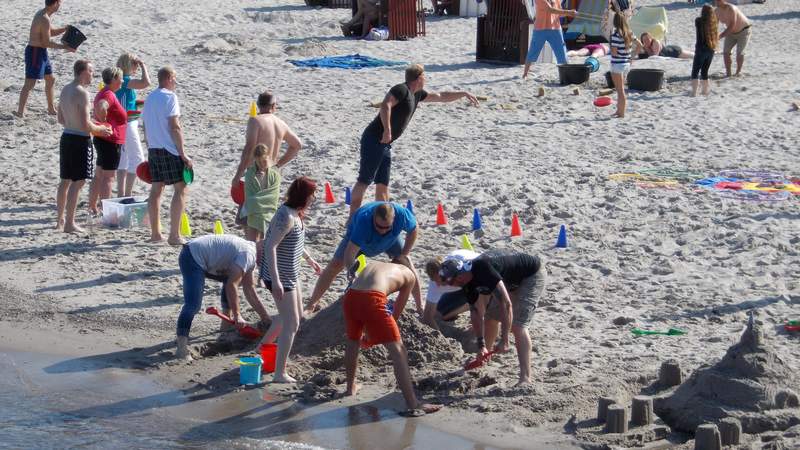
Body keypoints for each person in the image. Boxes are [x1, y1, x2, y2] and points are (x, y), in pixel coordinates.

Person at [348, 65, 478, 217]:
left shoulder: (417, 94)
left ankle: (383, 219)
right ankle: (352, 219)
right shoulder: (401, 90)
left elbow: (441, 96)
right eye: (424, 76)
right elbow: (385, 105)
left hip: (385, 144)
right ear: (418, 78)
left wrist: (463, 93)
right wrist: (387, 129)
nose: (426, 78)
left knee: (382, 184)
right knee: (364, 180)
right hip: (373, 139)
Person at [342, 260, 443, 417]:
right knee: (398, 350)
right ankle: (413, 403)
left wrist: (371, 332)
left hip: (350, 297)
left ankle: (350, 388)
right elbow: (396, 310)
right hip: (373, 299)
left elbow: (363, 298)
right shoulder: (409, 275)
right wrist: (381, 332)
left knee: (353, 341)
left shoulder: (375, 264)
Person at [439, 251, 547, 385]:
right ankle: (484, 358)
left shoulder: (483, 268)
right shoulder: (466, 282)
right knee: (490, 318)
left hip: (531, 275)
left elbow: (506, 304)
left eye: (450, 282)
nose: (450, 286)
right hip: (508, 280)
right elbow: (476, 312)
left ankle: (525, 378)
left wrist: (505, 339)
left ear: (459, 276)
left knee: (518, 326)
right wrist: (481, 345)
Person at [305, 202, 422, 315]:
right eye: (379, 226)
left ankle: (420, 307)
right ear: (373, 218)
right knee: (335, 266)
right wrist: (352, 273)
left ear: (394, 219)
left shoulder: (402, 215)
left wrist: (404, 254)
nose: (382, 231)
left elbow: (414, 229)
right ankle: (311, 304)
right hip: (359, 243)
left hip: (391, 241)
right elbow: (349, 253)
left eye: (387, 227)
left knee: (407, 264)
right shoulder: (364, 221)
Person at [259, 177, 322, 383]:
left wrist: (310, 259)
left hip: (291, 274)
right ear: (303, 195)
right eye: (312, 194)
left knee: (291, 319)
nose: (314, 198)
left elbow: (294, 241)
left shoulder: (296, 214)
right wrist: (275, 281)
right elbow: (270, 246)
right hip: (279, 277)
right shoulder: (285, 215)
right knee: (291, 323)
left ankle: (260, 351)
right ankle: (279, 373)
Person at [176, 235, 271, 360]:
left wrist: (265, 318)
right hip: (191, 256)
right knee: (193, 305)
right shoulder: (248, 254)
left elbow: (250, 290)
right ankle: (181, 346)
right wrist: (238, 316)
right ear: (264, 251)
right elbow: (232, 285)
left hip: (202, 255)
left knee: (232, 276)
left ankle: (225, 327)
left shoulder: (251, 255)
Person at [56, 60, 112, 233]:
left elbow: (60, 118)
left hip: (67, 136)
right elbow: (85, 124)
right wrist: (101, 129)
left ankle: (60, 220)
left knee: (65, 181)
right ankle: (70, 223)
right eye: (90, 71)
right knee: (78, 182)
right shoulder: (83, 93)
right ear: (82, 72)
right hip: (80, 140)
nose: (93, 74)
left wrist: (78, 125)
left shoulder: (66, 89)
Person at [231, 91, 302, 223]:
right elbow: (297, 145)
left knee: (251, 221)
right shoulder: (281, 124)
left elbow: (249, 149)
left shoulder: (255, 121)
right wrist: (278, 165)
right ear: (274, 106)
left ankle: (253, 243)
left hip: (257, 173)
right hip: (273, 174)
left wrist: (238, 174)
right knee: (266, 218)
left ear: (258, 105)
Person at [143, 66, 192, 245]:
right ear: (169, 78)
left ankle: (155, 234)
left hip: (154, 148)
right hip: (169, 149)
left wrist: (149, 146)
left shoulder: (149, 98)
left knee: (156, 190)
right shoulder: (170, 96)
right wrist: (183, 154)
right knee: (181, 189)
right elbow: (174, 126)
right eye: (175, 78)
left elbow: (145, 127)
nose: (175, 83)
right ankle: (174, 235)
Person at [15, 0, 75, 117]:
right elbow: (46, 42)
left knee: (51, 79)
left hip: (40, 52)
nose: (60, 5)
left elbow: (49, 32)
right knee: (30, 83)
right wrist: (65, 47)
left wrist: (64, 29)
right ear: (55, 3)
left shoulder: (44, 14)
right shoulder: (44, 18)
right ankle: (20, 112)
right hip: (35, 52)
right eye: (59, 3)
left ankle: (51, 109)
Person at [87, 68, 127, 215]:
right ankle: (106, 211)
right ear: (115, 78)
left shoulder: (104, 92)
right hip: (110, 140)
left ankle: (93, 207)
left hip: (102, 138)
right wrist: (103, 119)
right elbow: (101, 106)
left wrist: (101, 121)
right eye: (121, 78)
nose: (122, 81)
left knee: (99, 174)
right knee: (109, 177)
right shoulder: (108, 94)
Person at [115, 53, 151, 197]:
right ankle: (127, 194)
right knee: (137, 159)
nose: (136, 67)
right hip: (127, 123)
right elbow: (146, 83)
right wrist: (143, 66)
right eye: (135, 64)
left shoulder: (119, 79)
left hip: (123, 122)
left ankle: (121, 194)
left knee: (124, 160)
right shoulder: (126, 79)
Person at [422, 249, 479, 330]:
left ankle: (471, 305)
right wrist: (439, 337)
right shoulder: (435, 283)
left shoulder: (466, 270)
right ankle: (466, 306)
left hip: (476, 284)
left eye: (442, 280)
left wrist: (475, 320)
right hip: (460, 287)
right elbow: (427, 316)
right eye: (435, 281)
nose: (438, 285)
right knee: (437, 315)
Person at [521, 0, 577, 79]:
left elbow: (559, 14)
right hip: (540, 29)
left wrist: (570, 13)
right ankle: (525, 74)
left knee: (562, 54)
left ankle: (565, 75)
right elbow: (550, 9)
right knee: (533, 51)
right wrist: (569, 12)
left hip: (556, 29)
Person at [242, 144, 281, 242]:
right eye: (259, 162)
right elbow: (249, 196)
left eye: (264, 161)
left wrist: (255, 201)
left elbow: (273, 196)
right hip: (253, 213)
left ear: (269, 157)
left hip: (268, 212)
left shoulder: (274, 174)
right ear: (255, 160)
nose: (262, 164)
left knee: (266, 242)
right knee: (252, 242)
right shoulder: (250, 174)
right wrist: (254, 202)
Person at [714, 0, 751, 77]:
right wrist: (714, 36)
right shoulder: (716, 11)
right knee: (726, 52)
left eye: (718, 0)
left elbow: (732, 25)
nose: (716, 2)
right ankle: (728, 73)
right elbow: (715, 26)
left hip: (743, 31)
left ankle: (738, 72)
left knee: (740, 53)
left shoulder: (731, 8)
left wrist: (720, 36)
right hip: (730, 33)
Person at [609, 11, 634, 119]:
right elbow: (640, 45)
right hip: (626, 63)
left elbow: (614, 53)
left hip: (617, 64)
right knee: (621, 90)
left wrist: (611, 47)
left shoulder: (615, 35)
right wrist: (632, 57)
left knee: (620, 91)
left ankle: (621, 113)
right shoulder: (629, 33)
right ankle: (619, 111)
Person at [691, 5, 719, 97]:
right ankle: (705, 91)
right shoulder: (714, 23)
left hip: (700, 49)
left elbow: (699, 22)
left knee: (695, 71)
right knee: (704, 71)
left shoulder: (698, 21)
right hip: (711, 50)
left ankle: (694, 92)